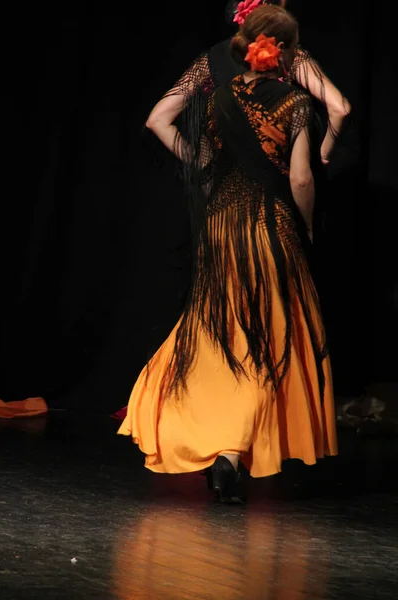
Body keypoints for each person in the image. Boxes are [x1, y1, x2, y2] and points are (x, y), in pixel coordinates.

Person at [118, 5, 337, 503]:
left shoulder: (215, 100)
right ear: (282, 52)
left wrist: (201, 166)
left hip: (219, 226)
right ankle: (232, 453)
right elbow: (301, 178)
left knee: (216, 325)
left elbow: (161, 121)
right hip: (269, 227)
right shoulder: (298, 103)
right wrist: (303, 226)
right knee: (267, 336)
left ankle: (180, 419)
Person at [146, 0, 350, 167]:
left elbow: (157, 120)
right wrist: (320, 160)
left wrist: (202, 164)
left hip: (226, 197)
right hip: (276, 191)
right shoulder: (288, 55)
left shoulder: (212, 59)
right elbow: (340, 109)